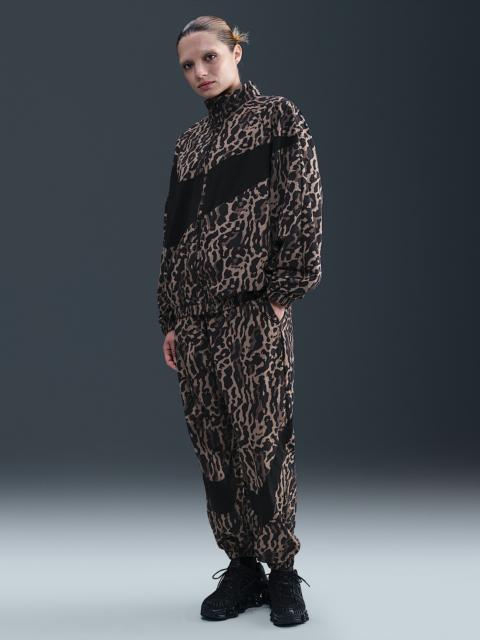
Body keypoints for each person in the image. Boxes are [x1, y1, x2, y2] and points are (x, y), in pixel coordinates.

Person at [156, 15, 323, 627]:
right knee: (215, 447)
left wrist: (279, 298)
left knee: (263, 441)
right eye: (188, 65)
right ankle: (242, 565)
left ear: (235, 51)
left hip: (251, 315)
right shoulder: (189, 146)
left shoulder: (278, 119)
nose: (200, 72)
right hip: (195, 324)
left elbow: (303, 208)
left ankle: (283, 572)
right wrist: (171, 317)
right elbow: (173, 238)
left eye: (209, 57)